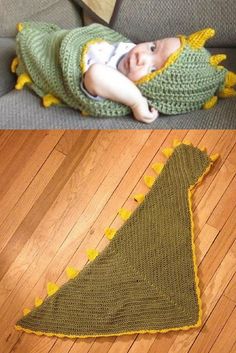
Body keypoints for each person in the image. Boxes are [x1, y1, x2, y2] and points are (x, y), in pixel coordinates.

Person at [13, 23, 236, 123]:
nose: (141, 57)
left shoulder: (118, 92)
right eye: (152, 48)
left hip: (51, 64)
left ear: (153, 91)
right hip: (54, 44)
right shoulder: (129, 50)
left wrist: (137, 102)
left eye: (153, 69)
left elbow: (95, 74)